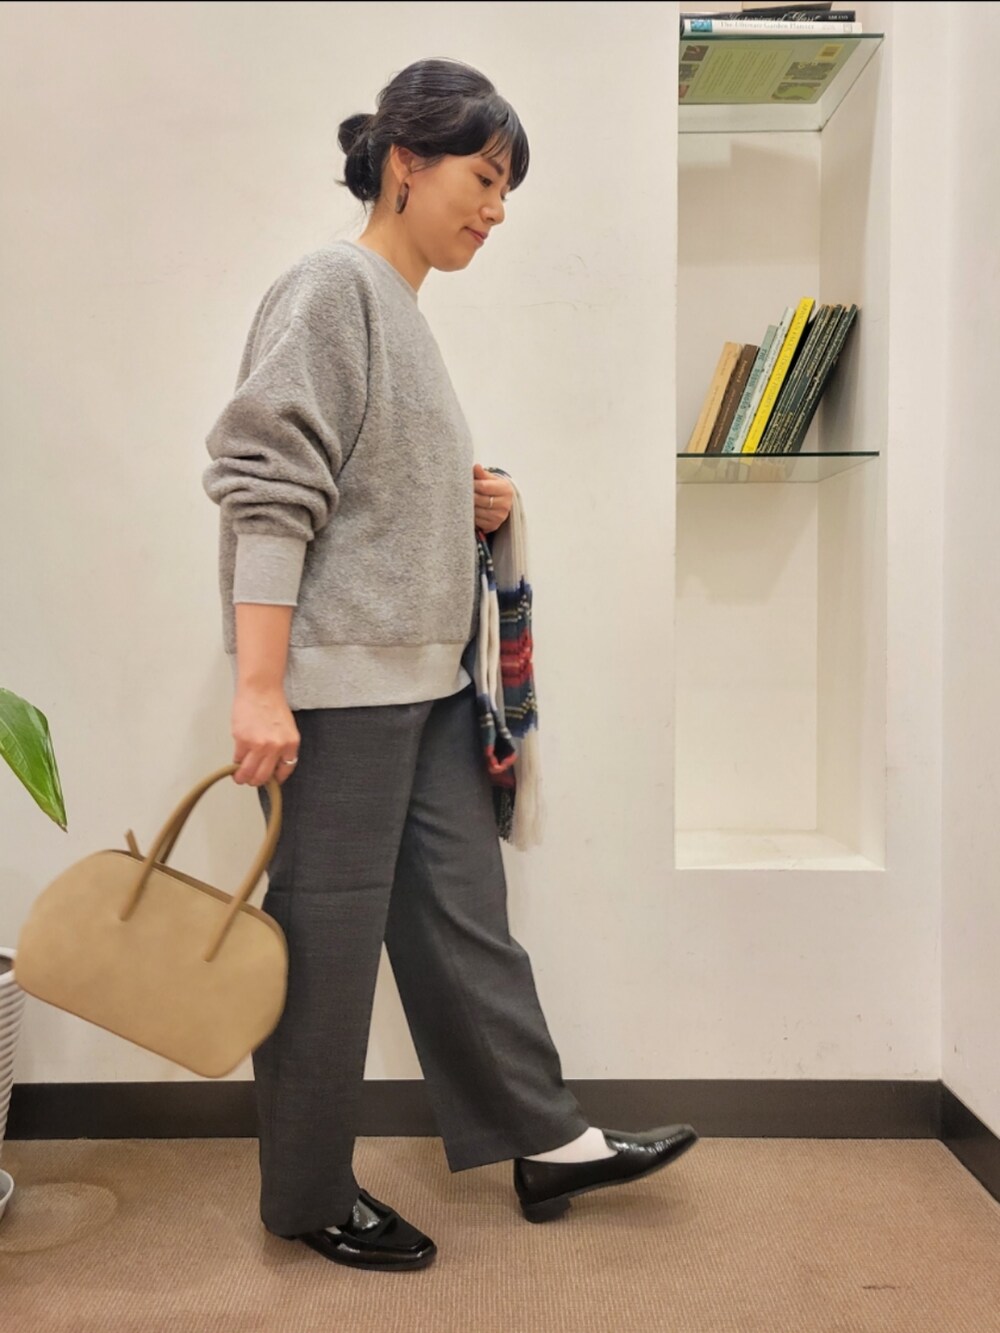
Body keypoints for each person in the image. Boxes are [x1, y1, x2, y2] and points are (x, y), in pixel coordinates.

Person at [203, 56, 697, 1274]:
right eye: (483, 177)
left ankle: (545, 1137)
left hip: (426, 686)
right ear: (403, 164)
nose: (496, 208)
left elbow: (368, 500)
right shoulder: (333, 286)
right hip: (338, 695)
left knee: (469, 923)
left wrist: (479, 504)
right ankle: (306, 1194)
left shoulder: (402, 311)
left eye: (506, 188)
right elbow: (268, 484)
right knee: (323, 952)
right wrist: (258, 686)